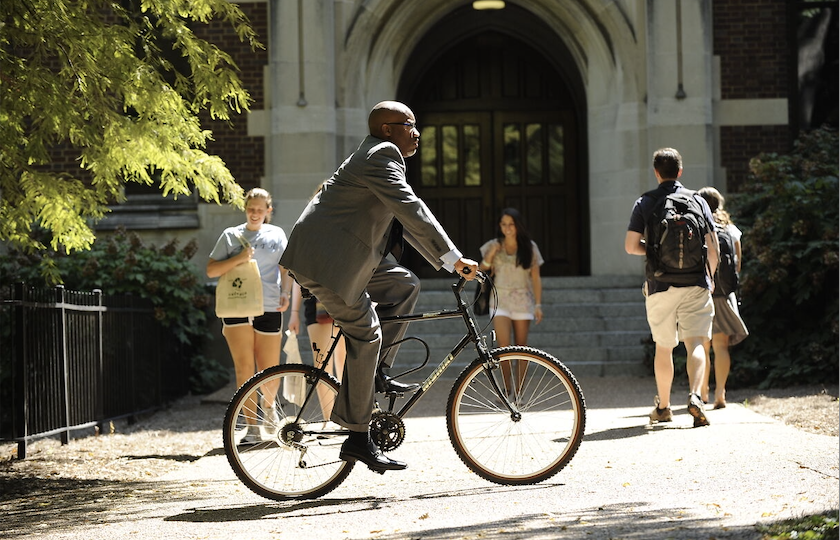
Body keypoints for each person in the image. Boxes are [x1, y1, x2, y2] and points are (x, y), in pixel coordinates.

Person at [280, 100, 479, 472]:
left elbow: (406, 214)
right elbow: (412, 208)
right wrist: (454, 259)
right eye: (410, 124)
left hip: (349, 257)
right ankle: (358, 437)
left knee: (404, 284)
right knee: (367, 334)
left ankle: (375, 375)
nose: (416, 132)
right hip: (326, 262)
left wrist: (446, 260)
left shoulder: (378, 155)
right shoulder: (381, 153)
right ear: (388, 129)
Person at [624, 148, 719, 428]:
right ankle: (695, 397)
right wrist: (709, 278)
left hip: (660, 283)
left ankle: (664, 407)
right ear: (680, 171)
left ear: (656, 172)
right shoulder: (698, 202)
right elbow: (712, 248)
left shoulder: (645, 202)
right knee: (697, 341)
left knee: (664, 347)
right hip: (695, 282)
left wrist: (654, 252)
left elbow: (631, 247)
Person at [207, 188, 293, 443]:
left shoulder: (276, 234)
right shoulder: (231, 236)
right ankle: (252, 427)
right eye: (250, 209)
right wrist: (240, 258)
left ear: (269, 211)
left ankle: (268, 412)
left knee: (269, 368)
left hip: (268, 305)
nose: (255, 214)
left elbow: (286, 267)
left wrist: (286, 293)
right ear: (245, 209)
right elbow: (211, 270)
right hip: (237, 306)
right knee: (244, 368)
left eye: (260, 210)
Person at [478, 208, 544, 394]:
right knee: (503, 349)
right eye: (504, 224)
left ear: (518, 225)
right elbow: (481, 269)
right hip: (499, 300)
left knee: (522, 349)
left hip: (523, 300)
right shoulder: (493, 244)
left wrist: (538, 304)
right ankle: (507, 392)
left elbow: (536, 278)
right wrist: (491, 254)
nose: (507, 228)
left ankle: (520, 391)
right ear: (500, 226)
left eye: (511, 224)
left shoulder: (529, 247)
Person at [697, 186, 749, 409]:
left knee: (703, 345)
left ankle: (703, 392)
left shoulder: (700, 227)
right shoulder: (731, 229)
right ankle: (721, 393)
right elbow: (737, 264)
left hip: (703, 293)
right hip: (725, 294)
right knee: (721, 347)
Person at [288, 281, 346, 422]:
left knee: (344, 363)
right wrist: (294, 313)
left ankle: (345, 419)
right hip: (316, 303)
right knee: (322, 366)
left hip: (346, 299)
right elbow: (297, 276)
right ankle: (328, 419)